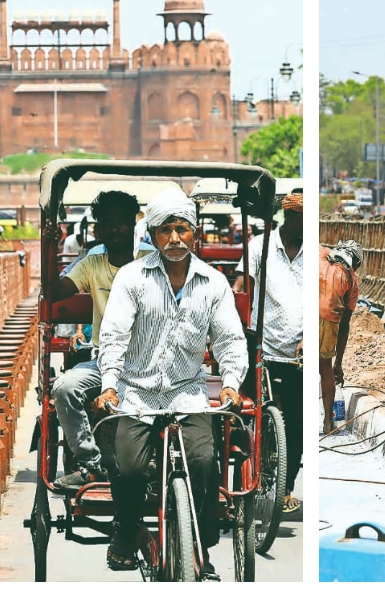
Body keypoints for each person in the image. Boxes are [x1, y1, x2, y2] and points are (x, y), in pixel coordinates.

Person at [95, 190, 246, 581]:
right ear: (153, 235)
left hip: (188, 391)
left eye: (182, 229)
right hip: (137, 392)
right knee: (129, 468)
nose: (175, 239)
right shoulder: (132, 278)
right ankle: (126, 532)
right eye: (166, 231)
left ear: (194, 234)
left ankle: (202, 546)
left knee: (202, 461)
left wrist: (231, 382)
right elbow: (113, 337)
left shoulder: (213, 283)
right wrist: (109, 384)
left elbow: (229, 339)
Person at [48, 190, 152, 490]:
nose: (115, 229)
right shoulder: (91, 264)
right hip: (104, 360)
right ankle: (91, 463)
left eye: (121, 222)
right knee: (65, 388)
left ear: (134, 223)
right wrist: (50, 244)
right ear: (99, 228)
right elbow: (56, 291)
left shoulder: (152, 260)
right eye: (108, 223)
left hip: (150, 360)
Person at [233, 189, 304, 513]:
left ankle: (286, 488)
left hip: (299, 352)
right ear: (287, 216)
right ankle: (255, 479)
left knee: (297, 426)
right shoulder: (260, 246)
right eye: (299, 218)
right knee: (257, 418)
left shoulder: (315, 254)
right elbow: (241, 285)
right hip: (263, 347)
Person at [319, 240, 362, 435]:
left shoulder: (320, 254)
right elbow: (344, 325)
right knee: (324, 367)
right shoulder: (352, 281)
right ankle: (328, 422)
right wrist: (339, 363)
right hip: (330, 322)